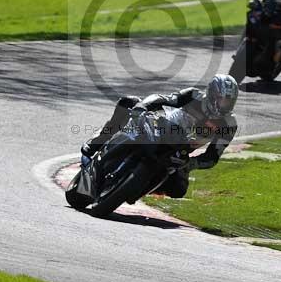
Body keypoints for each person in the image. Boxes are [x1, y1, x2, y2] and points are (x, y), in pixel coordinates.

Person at [80, 74, 239, 198]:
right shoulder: (194, 96)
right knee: (128, 102)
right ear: (212, 94)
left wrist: (190, 164)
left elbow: (212, 157)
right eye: (221, 99)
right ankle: (99, 140)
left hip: (180, 151)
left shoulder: (228, 124)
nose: (224, 104)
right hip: (161, 128)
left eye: (228, 101)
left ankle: (137, 186)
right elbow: (164, 98)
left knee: (179, 190)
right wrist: (142, 107)